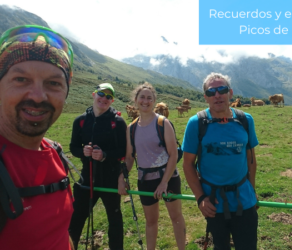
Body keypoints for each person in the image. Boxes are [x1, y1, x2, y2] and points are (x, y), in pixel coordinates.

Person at [0, 25, 74, 249]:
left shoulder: (56, 154)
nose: (38, 96)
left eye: (53, 83)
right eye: (21, 79)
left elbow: (59, 231)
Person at [182, 72, 259, 250]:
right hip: (213, 202)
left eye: (222, 90)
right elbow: (187, 164)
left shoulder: (245, 120)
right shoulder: (197, 123)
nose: (217, 95)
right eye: (211, 92)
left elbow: (251, 159)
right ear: (206, 98)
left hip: (244, 198)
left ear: (230, 93)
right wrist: (200, 197)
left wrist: (252, 190)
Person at [118, 82, 186, 250]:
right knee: (150, 221)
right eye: (142, 97)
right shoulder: (131, 128)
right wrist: (122, 177)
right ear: (135, 100)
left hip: (168, 178)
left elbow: (173, 154)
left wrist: (164, 183)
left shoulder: (163, 123)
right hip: (145, 180)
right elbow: (129, 158)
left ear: (154, 101)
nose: (145, 101)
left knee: (176, 217)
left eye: (149, 98)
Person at [69, 83, 127, 250]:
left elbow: (124, 150)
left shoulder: (118, 121)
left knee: (114, 220)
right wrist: (83, 152)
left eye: (109, 96)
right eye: (101, 94)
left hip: (111, 178)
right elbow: (73, 147)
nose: (104, 98)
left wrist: (105, 155)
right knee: (76, 219)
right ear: (94, 94)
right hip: (87, 178)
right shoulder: (80, 121)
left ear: (112, 100)